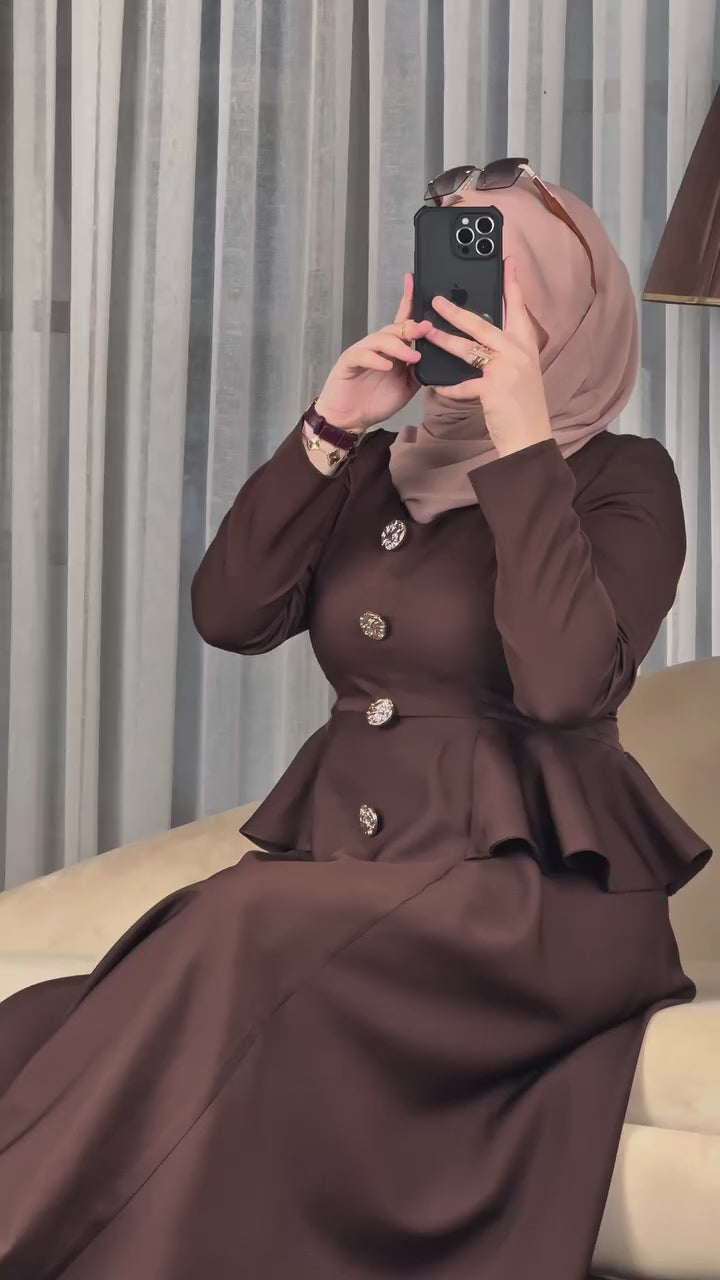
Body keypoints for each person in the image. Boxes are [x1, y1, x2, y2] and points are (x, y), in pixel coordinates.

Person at [0, 160, 712, 1280]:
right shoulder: (377, 465)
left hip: (530, 900)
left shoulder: (623, 478)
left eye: (498, 281)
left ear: (572, 311)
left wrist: (522, 441)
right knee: (57, 1020)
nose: (459, 308)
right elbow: (231, 614)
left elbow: (567, 686)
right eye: (442, 272)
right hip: (352, 874)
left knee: (240, 923)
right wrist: (331, 425)